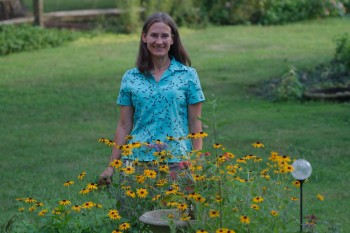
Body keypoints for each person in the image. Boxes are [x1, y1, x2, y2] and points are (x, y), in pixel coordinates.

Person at [98, 12, 205, 185]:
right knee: (134, 212)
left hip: (177, 161)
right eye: (154, 35)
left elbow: (195, 123)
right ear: (144, 37)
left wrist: (196, 161)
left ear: (172, 39)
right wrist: (111, 166)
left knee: (178, 212)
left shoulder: (188, 75)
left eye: (164, 36)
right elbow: (124, 125)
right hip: (136, 163)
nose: (159, 41)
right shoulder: (130, 78)